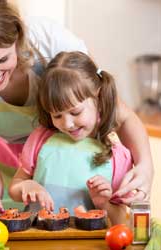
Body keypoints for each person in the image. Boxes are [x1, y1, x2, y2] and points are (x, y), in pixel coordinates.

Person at [0, 0, 153, 228]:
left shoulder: (48, 42)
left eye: (3, 59)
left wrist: (145, 166)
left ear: (17, 38)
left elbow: (120, 115)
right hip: (16, 178)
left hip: (79, 168)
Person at [9, 51, 134, 225]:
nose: (67, 124)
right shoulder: (41, 138)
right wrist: (24, 186)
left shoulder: (118, 157)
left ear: (97, 96)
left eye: (75, 112)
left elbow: (123, 221)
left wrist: (104, 203)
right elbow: (15, 185)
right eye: (57, 115)